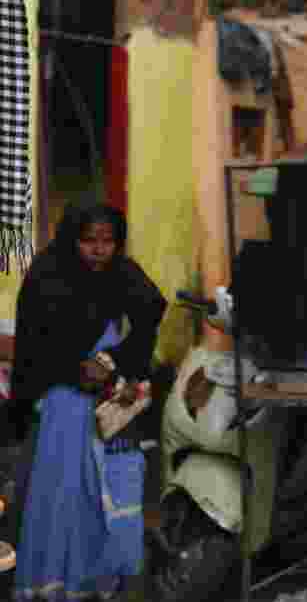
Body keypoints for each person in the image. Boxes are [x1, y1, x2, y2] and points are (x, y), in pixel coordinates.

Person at [8, 199, 167, 601]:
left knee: (105, 491)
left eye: (108, 241)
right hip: (62, 401)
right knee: (65, 493)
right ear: (72, 240)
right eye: (89, 241)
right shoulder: (47, 274)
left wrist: (115, 362)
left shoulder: (122, 273)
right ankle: (58, 583)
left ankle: (98, 579)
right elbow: (33, 346)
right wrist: (76, 370)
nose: (99, 250)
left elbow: (152, 308)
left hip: (108, 401)